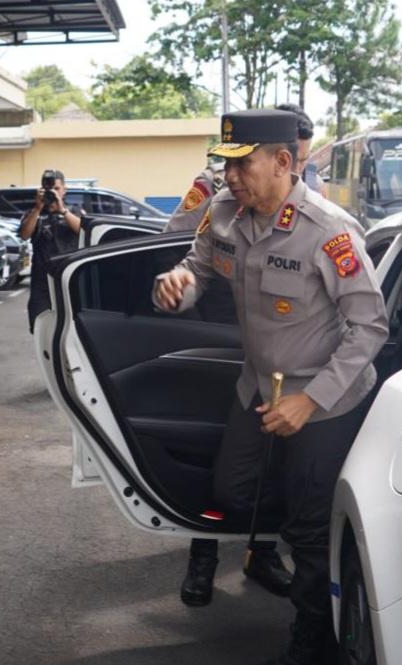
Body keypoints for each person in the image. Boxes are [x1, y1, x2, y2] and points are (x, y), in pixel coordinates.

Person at [153, 109, 387, 664]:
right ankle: (307, 526)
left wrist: (312, 400)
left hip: (322, 399)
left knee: (307, 526)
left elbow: (370, 327)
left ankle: (312, 636)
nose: (230, 177)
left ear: (283, 162)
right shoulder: (223, 212)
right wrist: (178, 284)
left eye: (243, 165)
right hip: (256, 389)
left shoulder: (330, 230)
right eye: (226, 164)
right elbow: (198, 266)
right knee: (233, 493)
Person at [166, 104, 320, 234]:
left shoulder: (315, 189)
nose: (296, 169)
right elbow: (174, 238)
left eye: (302, 160)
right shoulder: (215, 182)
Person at [18, 169, 82, 333]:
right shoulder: (34, 213)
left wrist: (63, 211)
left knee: (70, 330)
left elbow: (83, 230)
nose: (53, 192)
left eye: (57, 188)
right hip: (42, 282)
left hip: (67, 280)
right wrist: (38, 208)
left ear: (64, 190)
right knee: (41, 328)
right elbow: (25, 235)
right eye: (49, 189)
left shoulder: (74, 211)